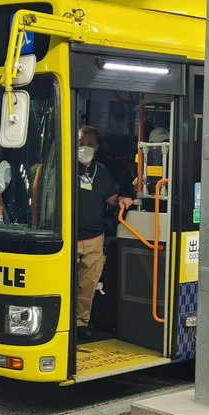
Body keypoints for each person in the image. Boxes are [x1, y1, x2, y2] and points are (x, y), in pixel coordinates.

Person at [76, 125, 132, 340]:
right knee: (67, 283)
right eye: (81, 144)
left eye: (89, 145)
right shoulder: (65, 167)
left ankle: (81, 324)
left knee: (88, 284)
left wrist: (122, 200)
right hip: (69, 237)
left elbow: (110, 198)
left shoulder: (102, 171)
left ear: (97, 147)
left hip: (94, 237)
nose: (85, 148)